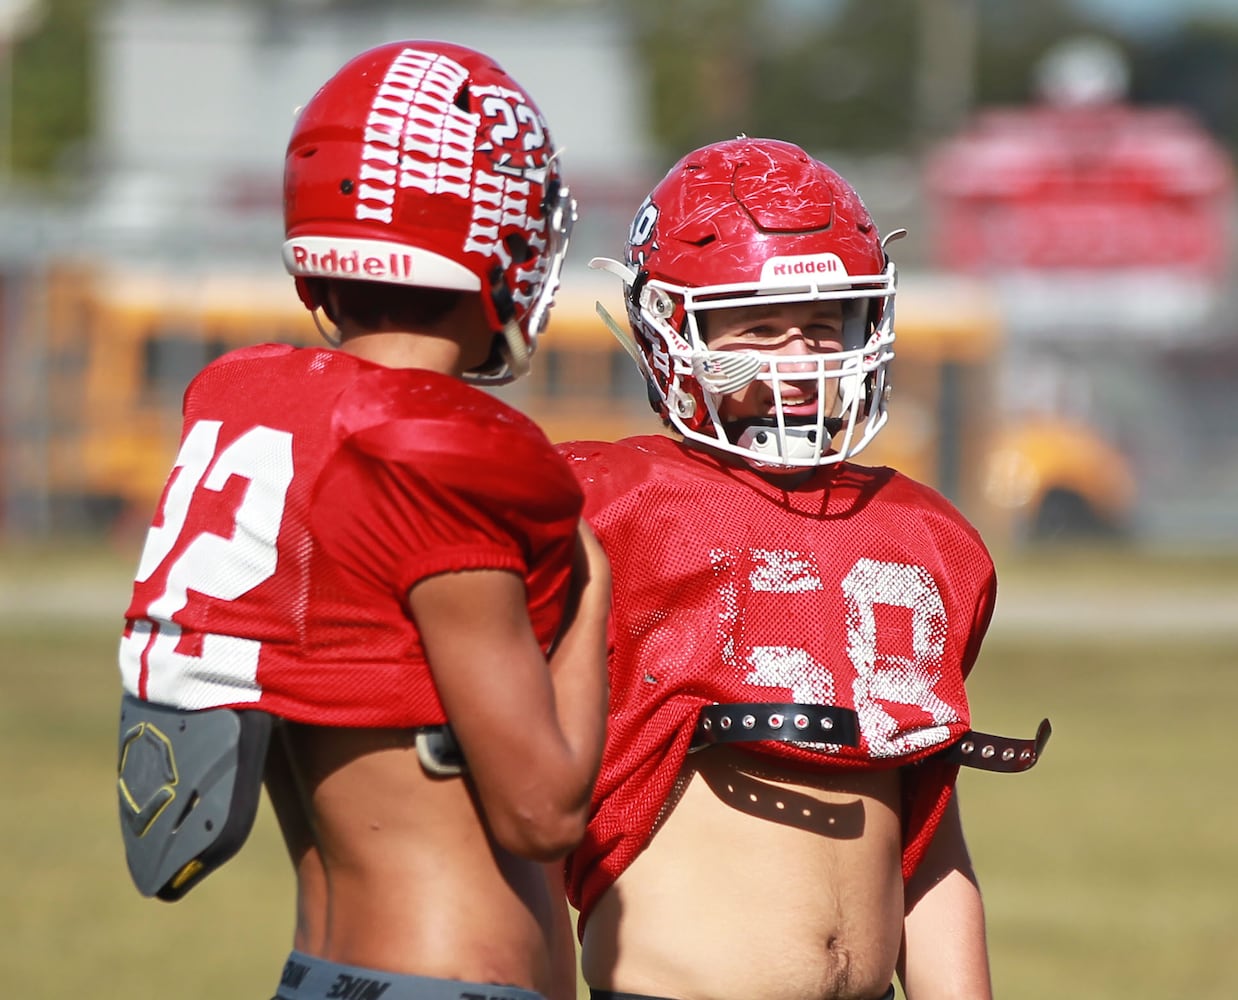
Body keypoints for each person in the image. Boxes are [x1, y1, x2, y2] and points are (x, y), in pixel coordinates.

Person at [114, 40, 610, 1000]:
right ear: (497, 231)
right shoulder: (438, 447)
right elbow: (542, 814)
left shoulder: (246, 397)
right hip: (456, 968)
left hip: (318, 967)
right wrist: (591, 585)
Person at [558, 138, 1050, 1000]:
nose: (799, 360)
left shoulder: (915, 531)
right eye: (756, 327)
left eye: (825, 324)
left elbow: (928, 827)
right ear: (671, 331)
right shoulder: (613, 506)